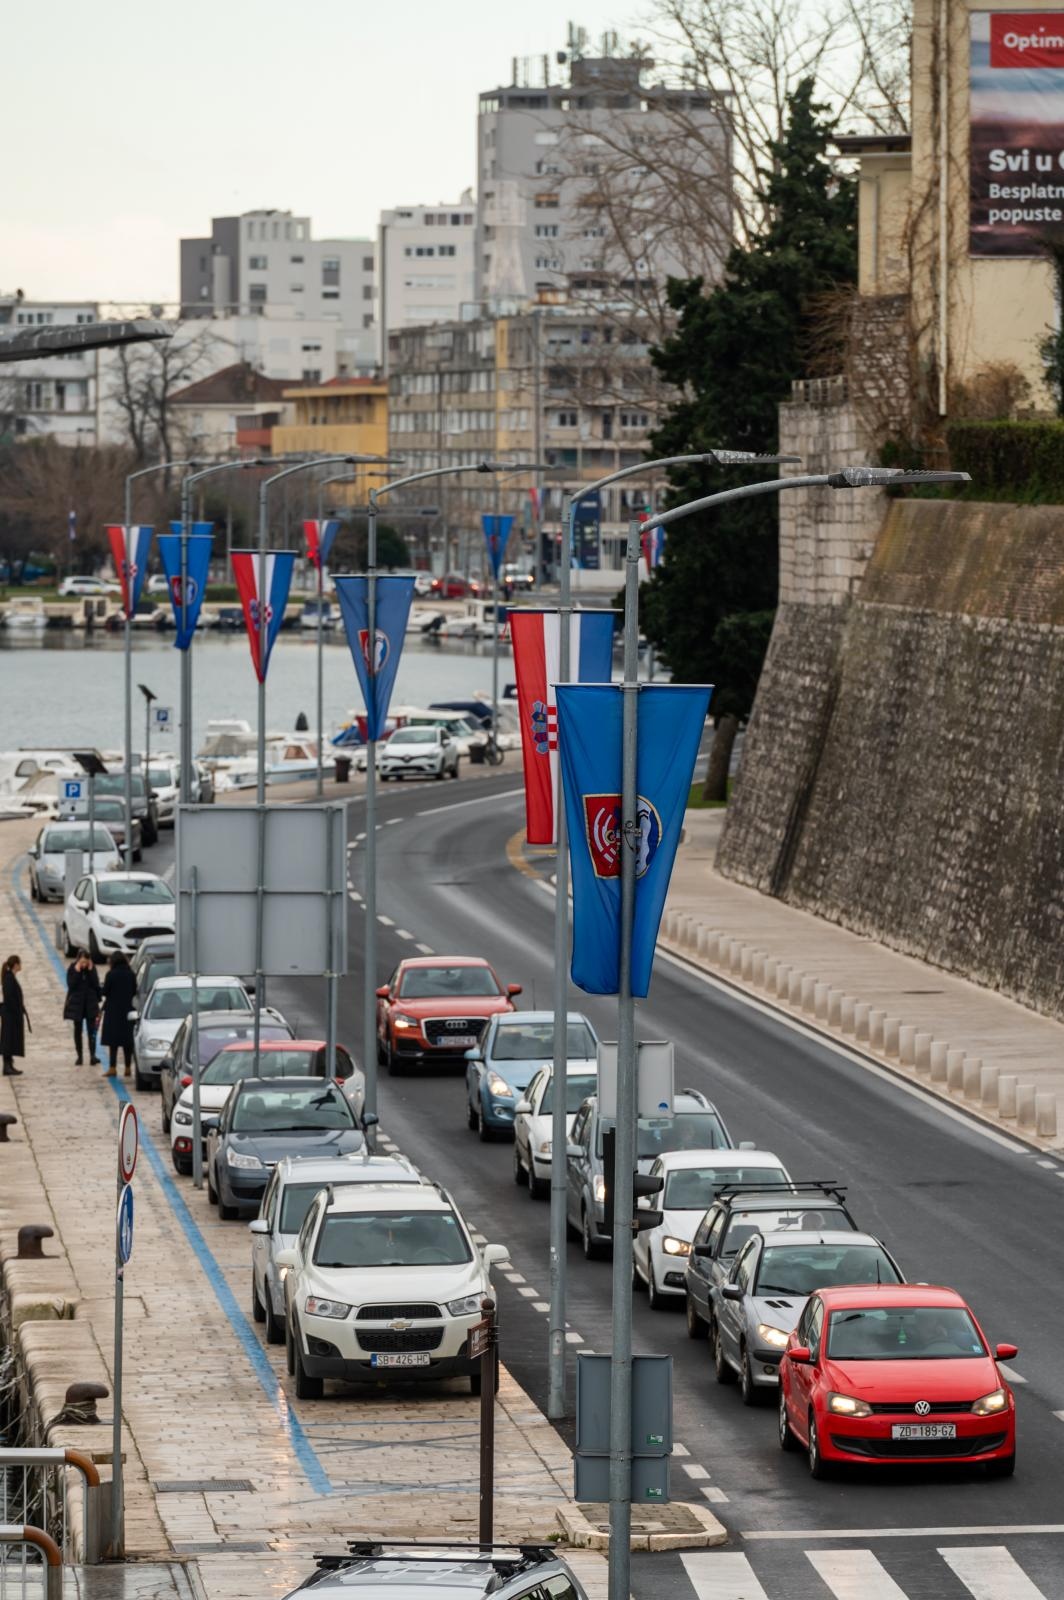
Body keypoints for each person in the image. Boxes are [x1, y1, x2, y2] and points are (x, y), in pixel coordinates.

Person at [99, 952, 137, 1079]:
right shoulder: (131, 974)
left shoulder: (111, 975)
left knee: (113, 1041)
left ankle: (112, 1067)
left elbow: (105, 992)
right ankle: (127, 1068)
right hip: (127, 1011)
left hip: (113, 1011)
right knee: (127, 1041)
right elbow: (134, 990)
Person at [64, 951, 101, 1065]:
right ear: (78, 960)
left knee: (92, 1031)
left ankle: (92, 1055)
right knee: (77, 1032)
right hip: (77, 1006)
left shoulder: (92, 969)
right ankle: (79, 1056)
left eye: (86, 962)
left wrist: (90, 971)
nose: (84, 964)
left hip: (90, 1005)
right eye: (82, 962)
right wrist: (77, 971)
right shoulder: (72, 968)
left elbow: (96, 984)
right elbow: (71, 985)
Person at [0, 954, 29, 1076]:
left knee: (10, 1039)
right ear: (16, 965)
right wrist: (16, 1010)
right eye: (20, 963)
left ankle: (10, 1064)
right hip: (10, 1015)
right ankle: (7, 1066)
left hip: (12, 1014)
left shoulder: (10, 977)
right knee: (8, 1040)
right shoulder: (9, 979)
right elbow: (10, 997)